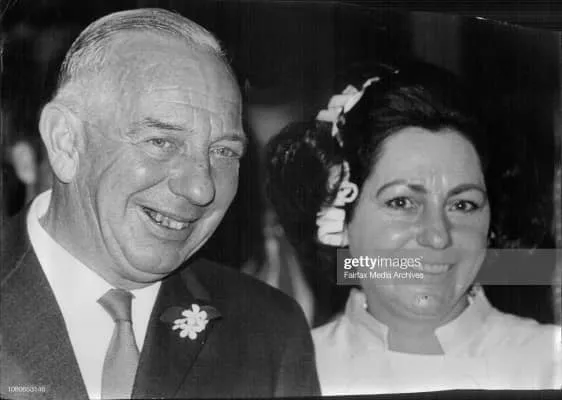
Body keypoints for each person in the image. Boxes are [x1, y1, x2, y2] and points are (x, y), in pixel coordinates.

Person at [0, 8, 320, 400]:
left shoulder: (269, 332)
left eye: (223, 151)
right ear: (66, 142)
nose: (201, 188)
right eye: (162, 142)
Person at [266, 62, 561, 394]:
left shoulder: (549, 365)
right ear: (338, 215)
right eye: (402, 202)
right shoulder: (288, 374)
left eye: (463, 205)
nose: (437, 236)